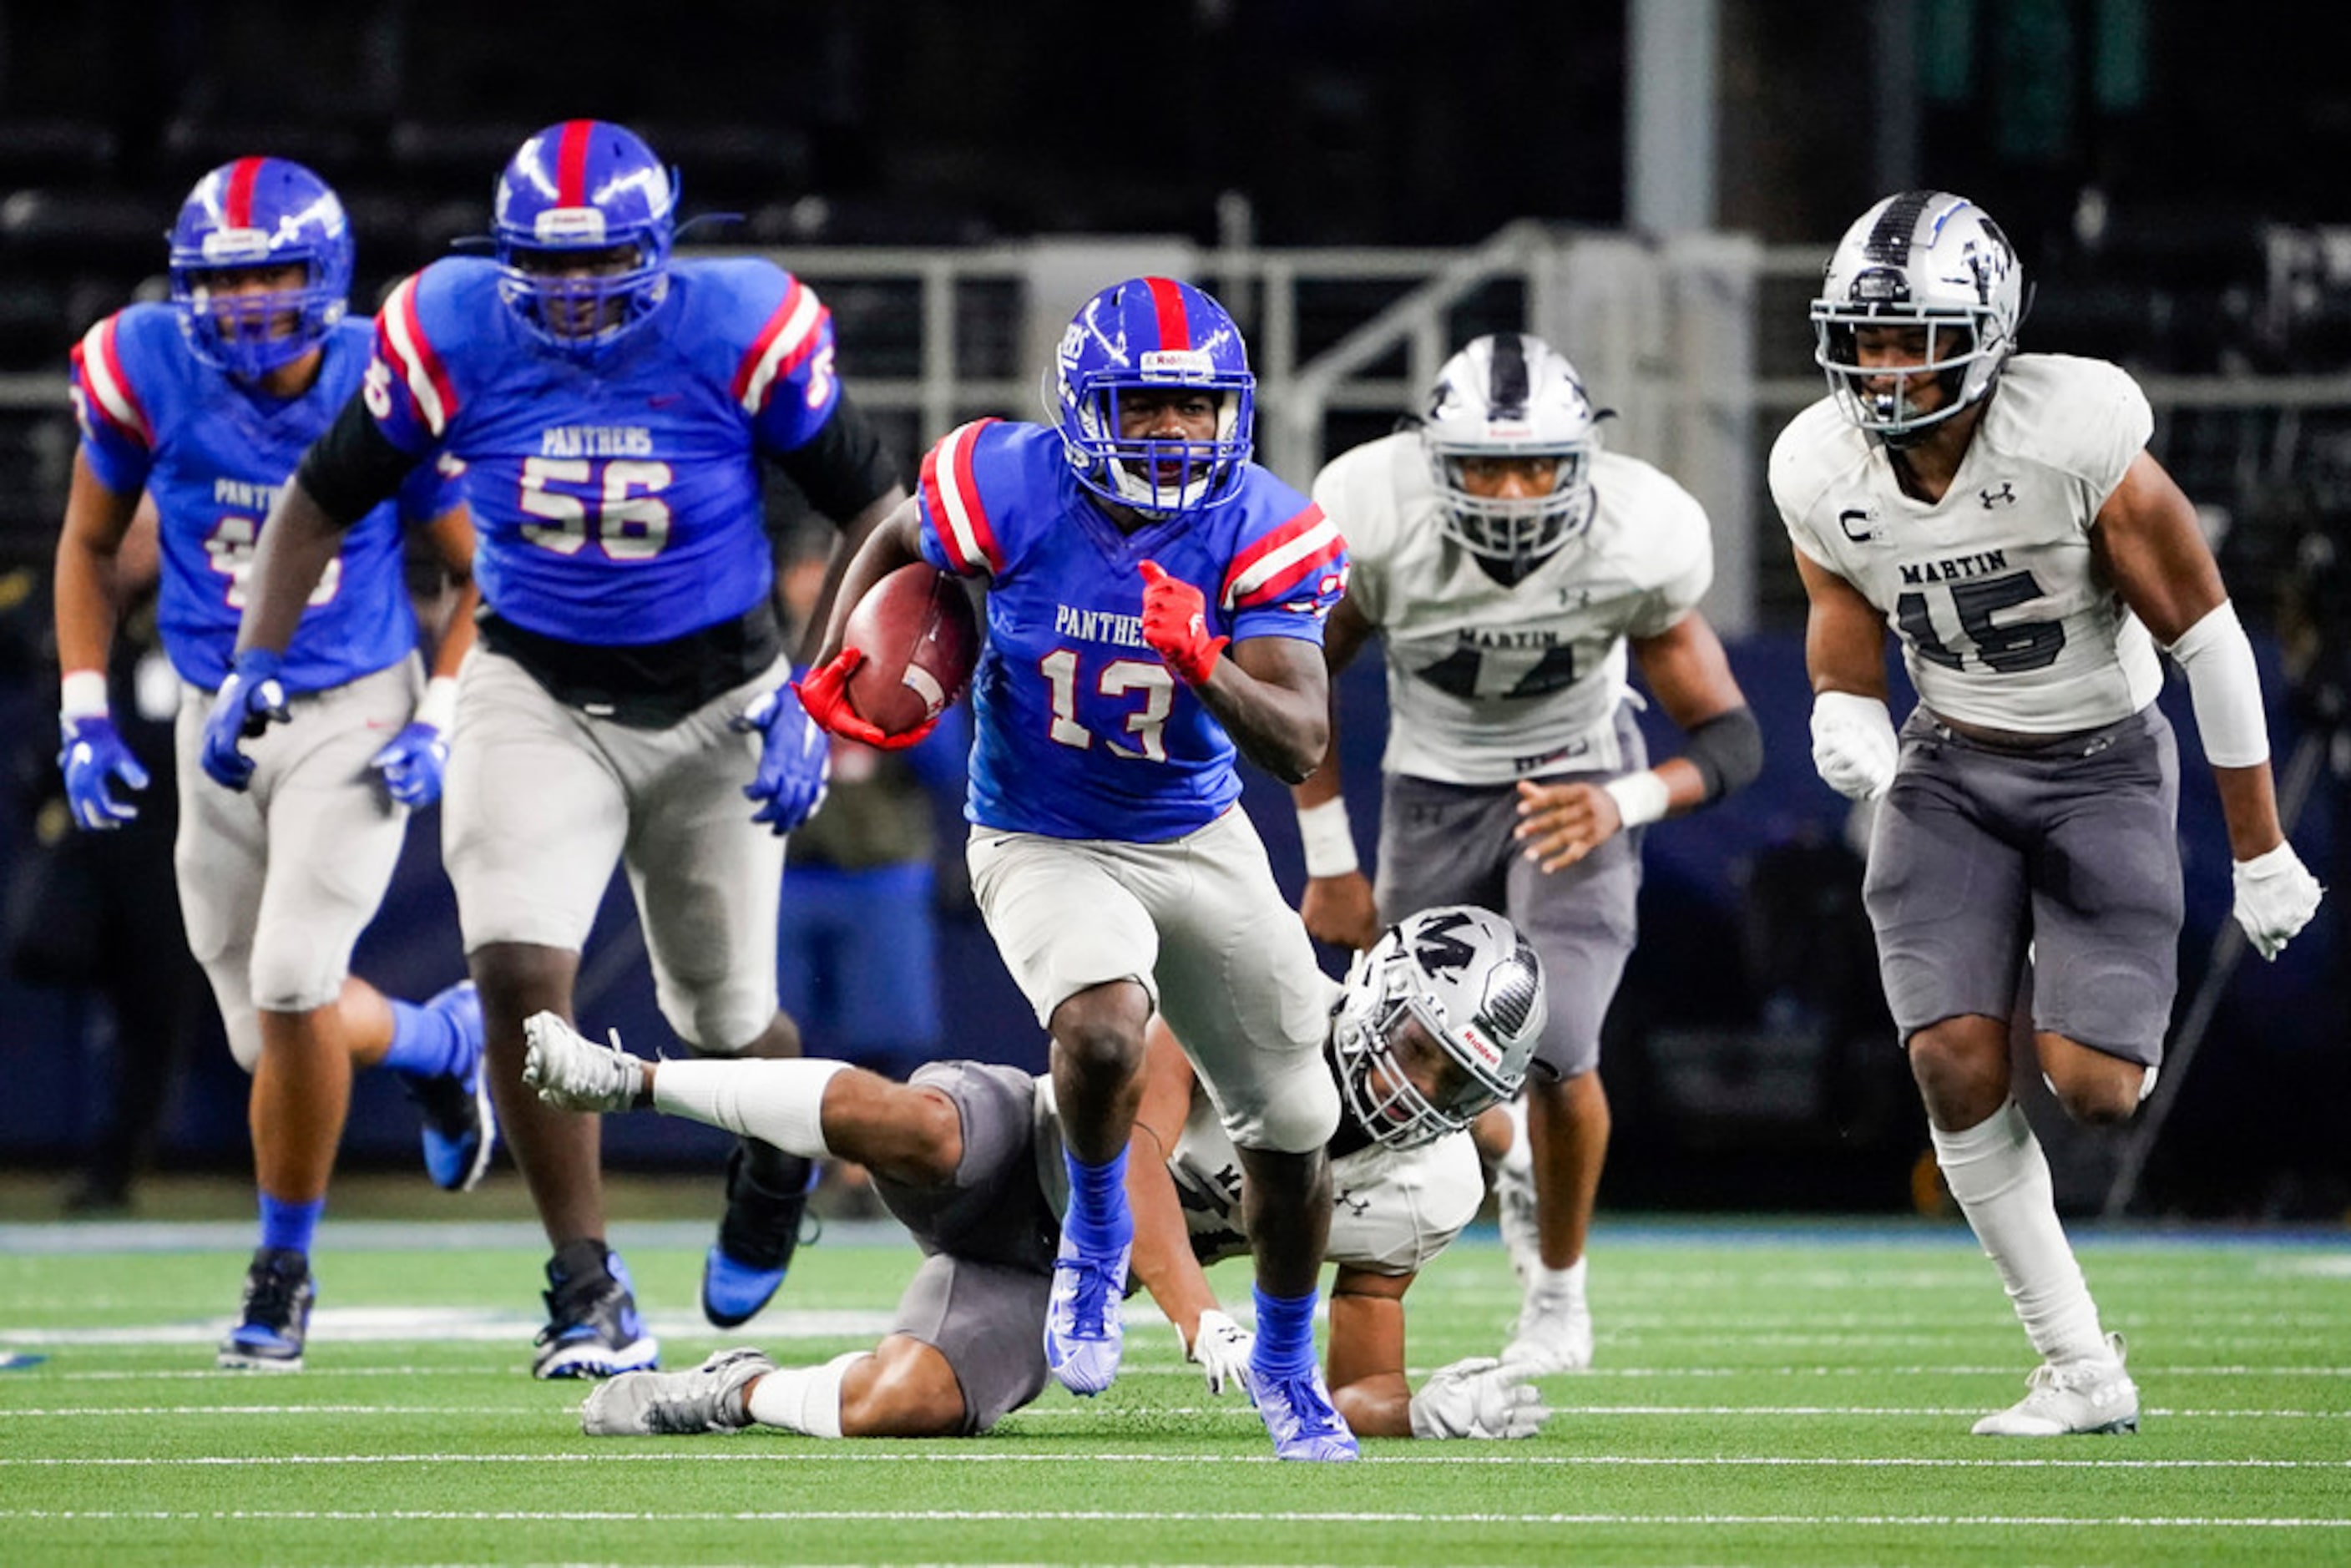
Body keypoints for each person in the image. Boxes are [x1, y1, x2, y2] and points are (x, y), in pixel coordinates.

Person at [207, 120, 908, 1379]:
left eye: (607, 265)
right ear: (507, 254)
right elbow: (320, 498)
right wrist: (256, 655)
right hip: (533, 688)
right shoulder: (452, 325)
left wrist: (817, 688)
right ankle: (585, 1284)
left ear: (662, 249)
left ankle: (777, 1154)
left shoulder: (740, 323)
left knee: (725, 1014)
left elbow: (880, 509)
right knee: (526, 984)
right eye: (551, 264)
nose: (579, 293)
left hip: (719, 700)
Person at [1771, 190, 2326, 1435]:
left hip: (2102, 761)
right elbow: (1842, 621)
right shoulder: (1816, 462)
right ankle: (2079, 1363)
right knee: (1950, 1060)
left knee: (2096, 1086)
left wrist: (2262, 846)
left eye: (1913, 334)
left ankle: (2047, 961)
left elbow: (2213, 638)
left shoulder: (2076, 429)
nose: (1883, 364)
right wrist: (1844, 709)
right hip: (1954, 763)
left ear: (1988, 331)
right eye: (1863, 336)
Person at [791, 276, 1357, 1459]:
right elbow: (895, 532)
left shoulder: (1265, 524)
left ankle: (1291, 1363)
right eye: (1143, 404)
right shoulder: (1005, 481)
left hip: (1196, 831)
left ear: (1232, 414)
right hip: (1041, 826)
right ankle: (1096, 1236)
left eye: (1194, 409)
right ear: (1085, 406)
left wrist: (1206, 666)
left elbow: (1301, 736)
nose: (1170, 430)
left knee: (1295, 1128)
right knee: (1102, 1028)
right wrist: (833, 674)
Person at [522, 905, 1551, 1447]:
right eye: (1418, 1046)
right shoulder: (1264, 1000)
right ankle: (636, 1078)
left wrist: (1418, 1412)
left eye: (1456, 1080)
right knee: (915, 1125)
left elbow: (1357, 1384)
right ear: (1378, 987)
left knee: (904, 1405)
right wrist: (1197, 1313)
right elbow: (1129, 1162)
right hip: (1028, 1144)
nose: (1417, 1088)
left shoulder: (1434, 1186)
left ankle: (728, 1392)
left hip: (1054, 1286)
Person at [54, 155, 492, 1369]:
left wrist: (437, 714)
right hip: (212, 710)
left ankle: (283, 1267)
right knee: (265, 1039)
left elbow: (472, 570)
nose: (248, 306)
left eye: (276, 277)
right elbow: (89, 543)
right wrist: (83, 706)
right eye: (227, 281)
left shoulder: (379, 378)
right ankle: (437, 1043)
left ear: (327, 277)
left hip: (351, 701)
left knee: (296, 981)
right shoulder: (145, 363)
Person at [1298, 332, 1762, 1373]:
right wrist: (1328, 857)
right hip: (1429, 791)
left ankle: (1557, 1297)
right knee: (1408, 1057)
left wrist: (1624, 801)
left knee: (1556, 1047)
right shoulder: (1372, 517)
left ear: (1582, 463)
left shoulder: (1637, 535)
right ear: (1433, 462)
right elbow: (1298, 680)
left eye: (1537, 467)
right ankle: (1506, 1158)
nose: (1511, 494)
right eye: (1482, 469)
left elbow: (1732, 741)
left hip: (1576, 785)